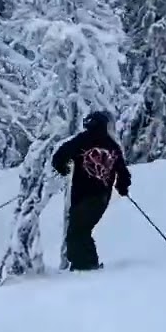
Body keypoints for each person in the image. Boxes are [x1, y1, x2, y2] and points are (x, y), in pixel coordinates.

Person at [51, 110, 131, 271]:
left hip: (82, 195)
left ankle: (86, 266)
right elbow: (123, 172)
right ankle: (83, 265)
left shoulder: (82, 140)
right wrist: (122, 187)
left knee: (77, 230)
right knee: (81, 229)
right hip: (101, 197)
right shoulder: (112, 146)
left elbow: (59, 155)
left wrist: (62, 168)